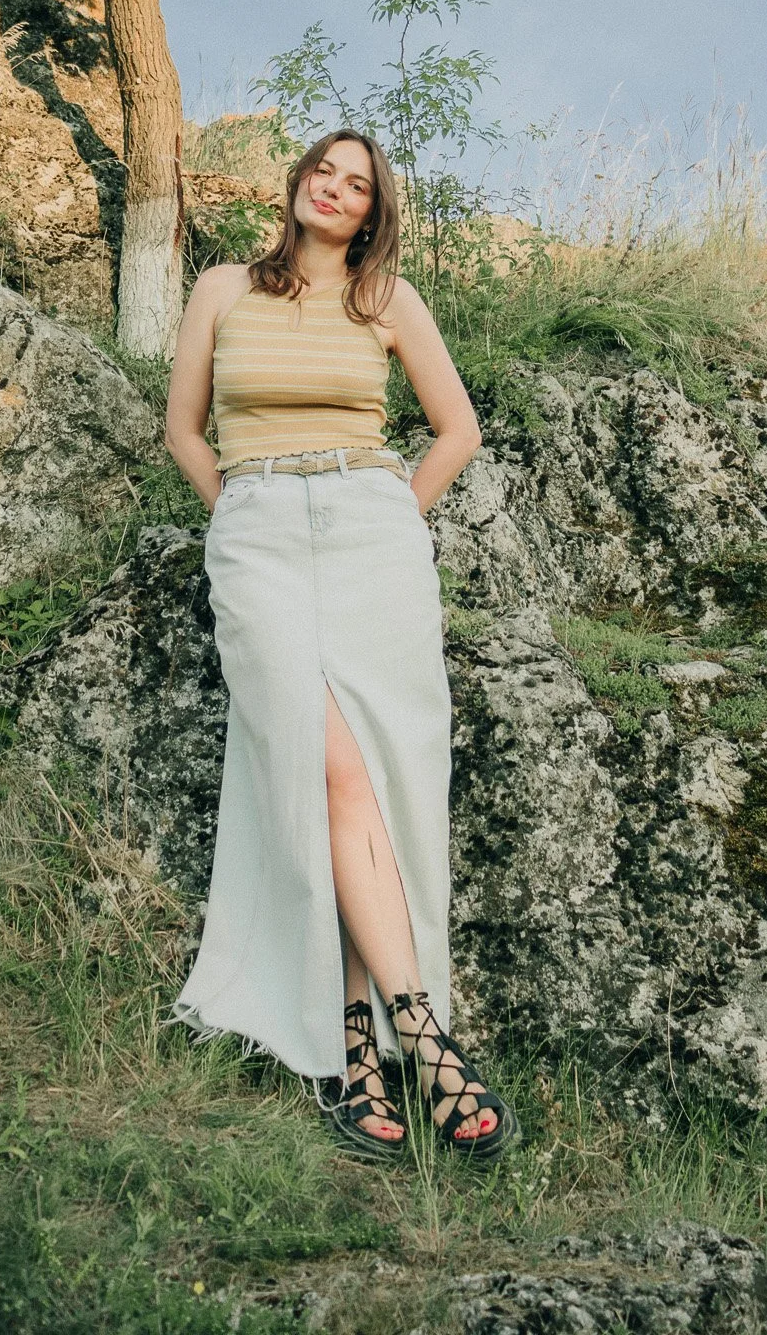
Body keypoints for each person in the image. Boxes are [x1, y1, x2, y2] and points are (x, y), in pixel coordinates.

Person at [163, 127, 519, 1163]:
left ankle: (359, 1042)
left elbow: (456, 430)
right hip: (261, 528)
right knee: (325, 765)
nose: (335, 188)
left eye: (357, 183)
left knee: (364, 781)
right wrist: (237, 510)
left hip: (371, 530)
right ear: (298, 183)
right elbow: (186, 427)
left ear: (373, 210)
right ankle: (429, 1037)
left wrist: (401, 511)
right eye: (325, 170)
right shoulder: (224, 288)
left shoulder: (388, 300)